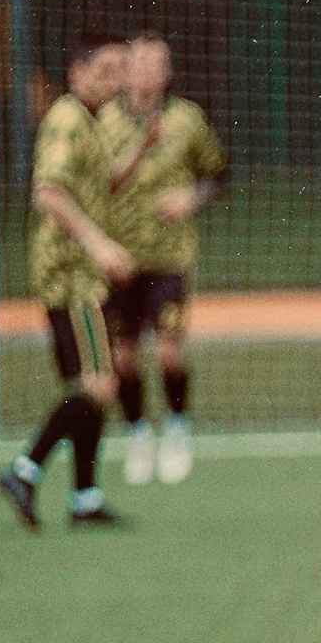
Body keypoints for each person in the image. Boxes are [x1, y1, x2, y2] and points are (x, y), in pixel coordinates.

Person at [0, 35, 136, 529]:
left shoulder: (94, 123)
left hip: (83, 275)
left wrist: (140, 152)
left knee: (93, 384)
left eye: (123, 70)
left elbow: (95, 183)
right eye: (107, 69)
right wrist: (99, 245)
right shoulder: (67, 120)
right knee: (99, 384)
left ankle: (84, 500)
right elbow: (49, 193)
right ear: (77, 73)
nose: (117, 80)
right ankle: (24, 469)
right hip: (73, 276)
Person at [100, 34, 227, 485]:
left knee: (170, 351)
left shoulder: (186, 119)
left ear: (168, 72)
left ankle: (176, 428)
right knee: (123, 358)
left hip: (170, 256)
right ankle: (137, 434)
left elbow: (217, 173)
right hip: (119, 260)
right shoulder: (105, 122)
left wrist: (191, 199)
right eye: (140, 63)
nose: (149, 71)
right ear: (126, 70)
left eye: (159, 64)